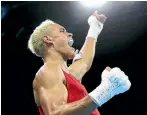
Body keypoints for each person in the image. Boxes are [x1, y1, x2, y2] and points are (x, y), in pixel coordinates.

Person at [28, 11, 131, 115]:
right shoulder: (48, 71)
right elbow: (56, 113)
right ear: (48, 39)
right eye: (62, 31)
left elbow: (84, 62)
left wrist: (95, 27)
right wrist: (106, 90)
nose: (70, 34)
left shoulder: (66, 74)